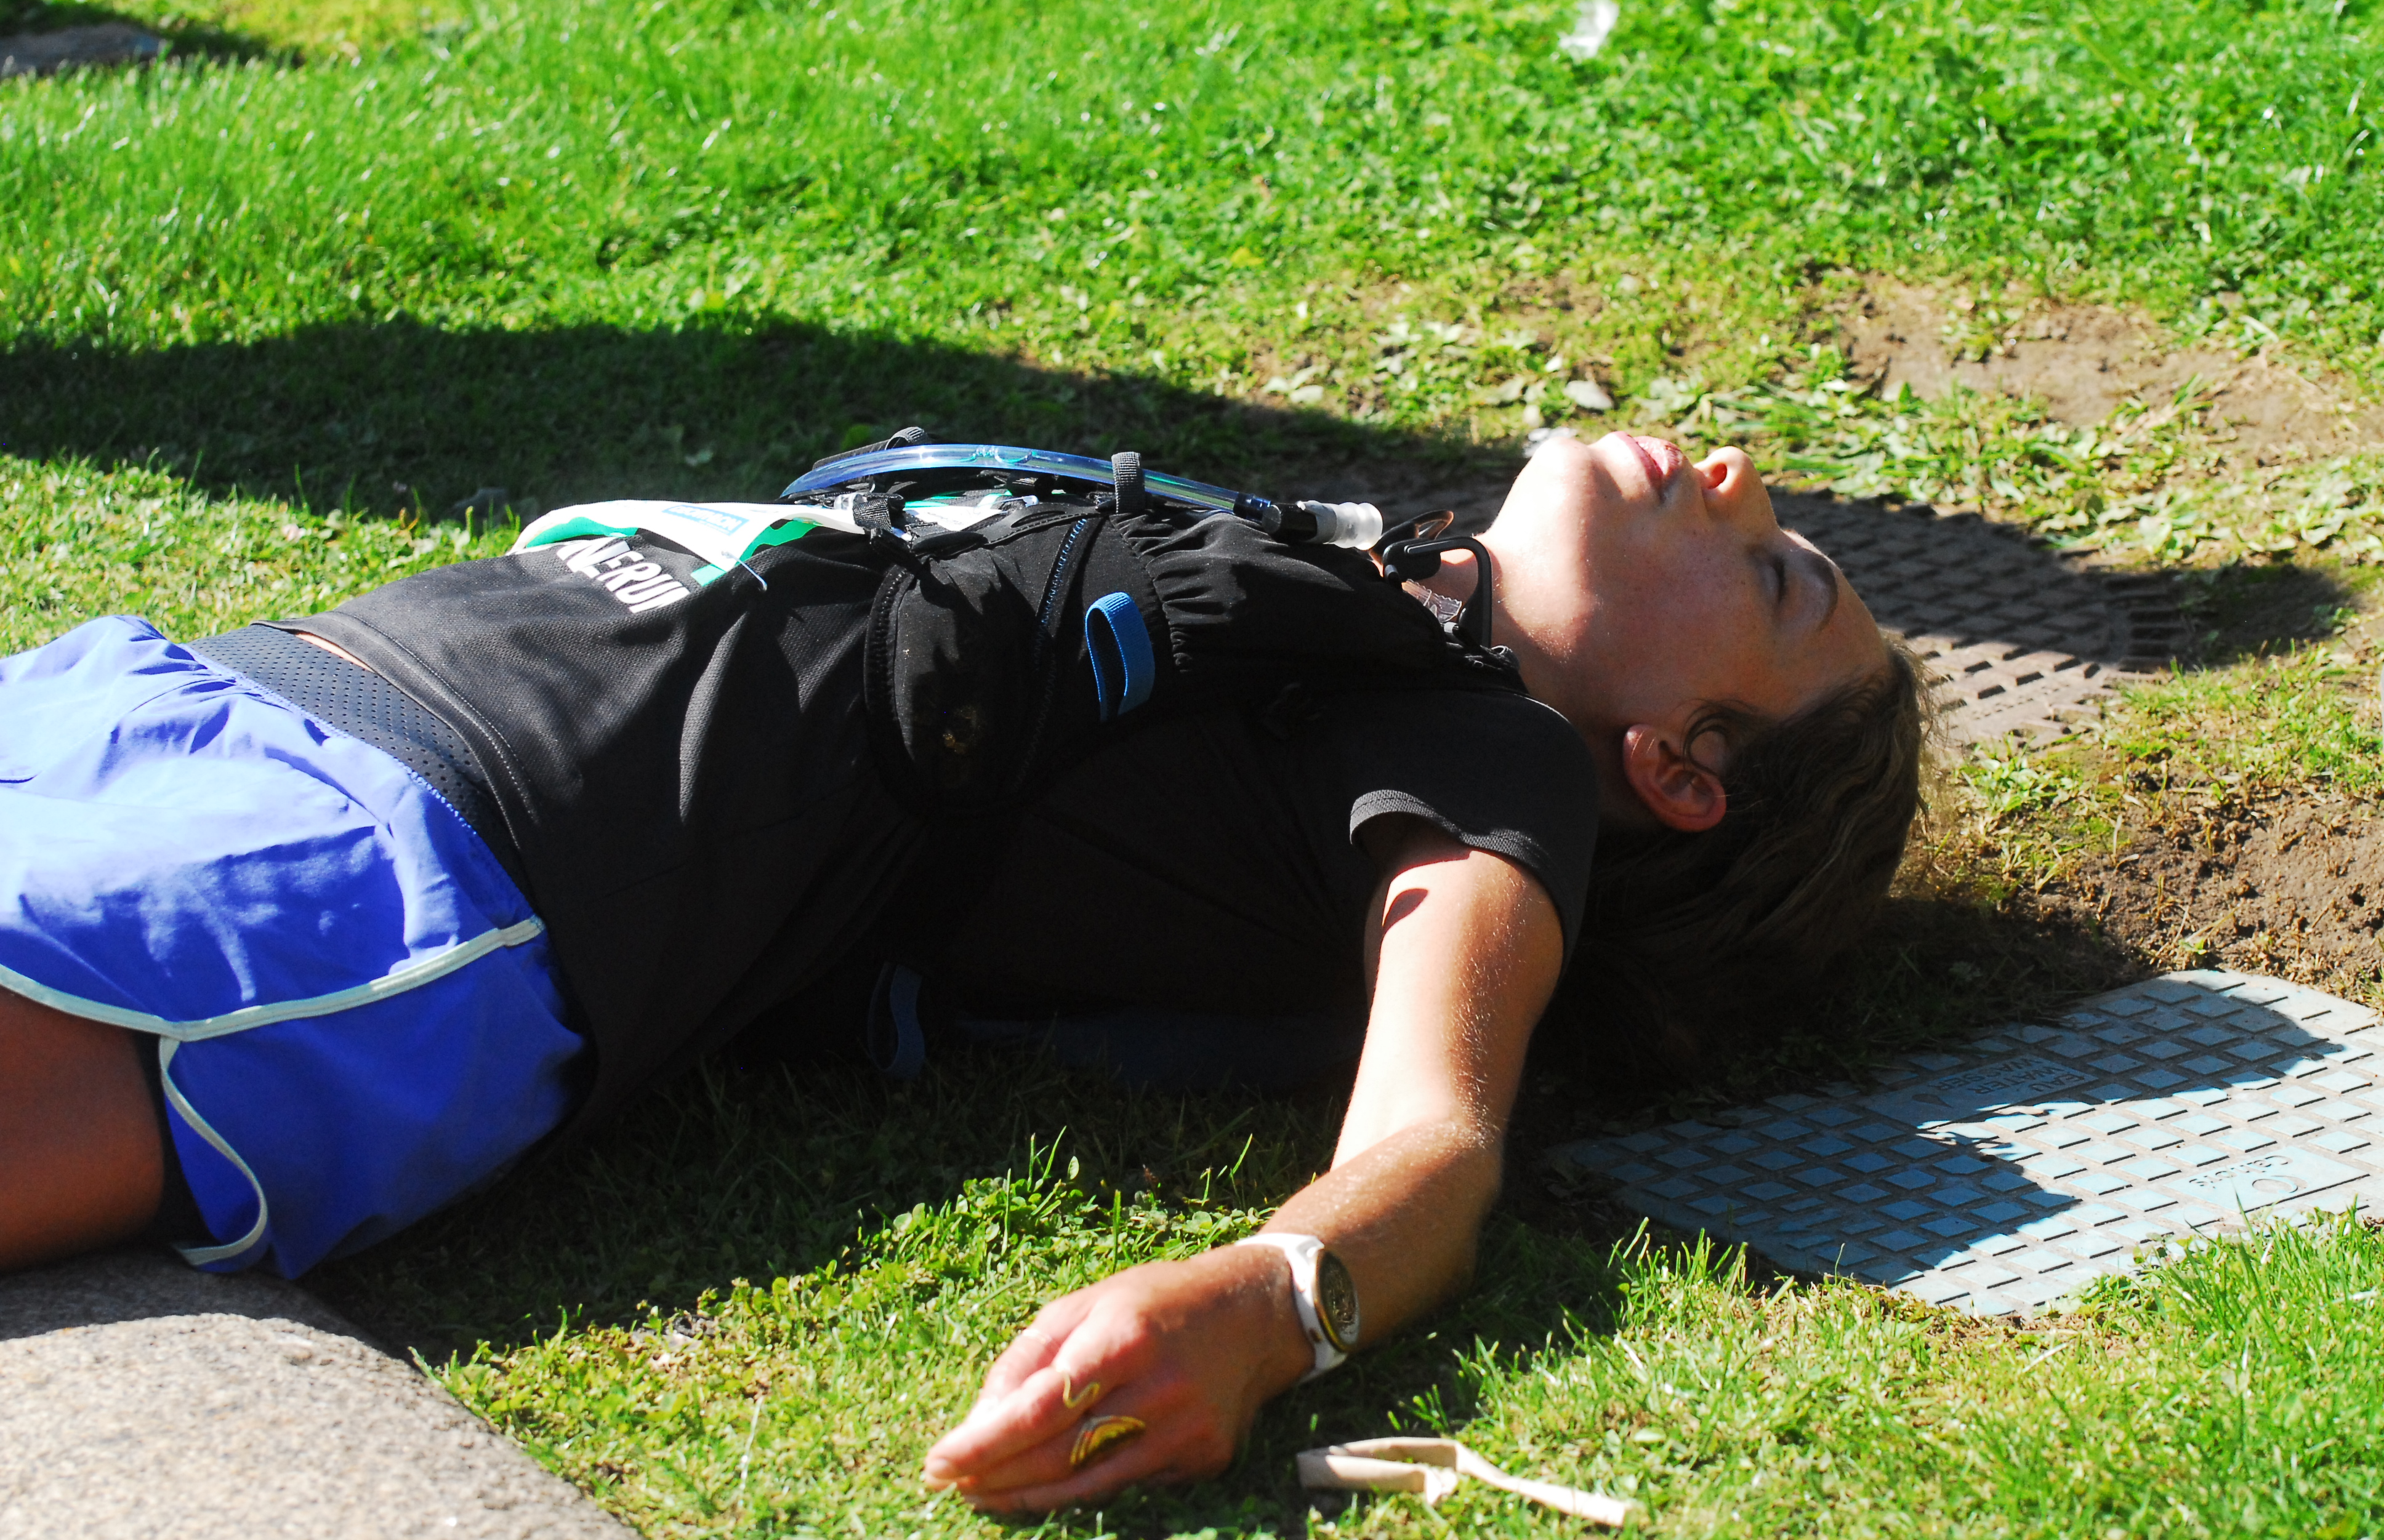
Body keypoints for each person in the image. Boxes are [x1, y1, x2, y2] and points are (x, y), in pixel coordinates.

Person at [0, 430, 1922, 1511]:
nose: (1738, 472)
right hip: (210, 692)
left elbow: (1440, 1139)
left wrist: (1264, 1310)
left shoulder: (1493, 771)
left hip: (404, 876)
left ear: (1680, 769)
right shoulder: (1341, 579)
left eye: (1778, 579)